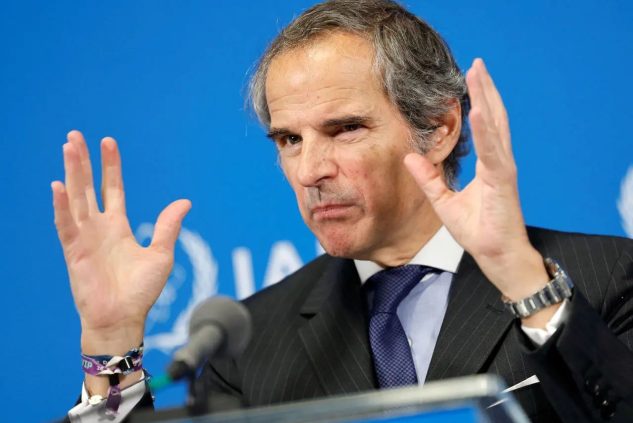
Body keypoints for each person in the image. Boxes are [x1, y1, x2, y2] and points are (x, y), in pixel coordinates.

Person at [54, 1, 633, 422]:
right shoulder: (251, 343)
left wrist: (522, 281)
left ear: (438, 128)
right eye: (289, 140)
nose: (310, 170)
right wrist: (111, 341)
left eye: (345, 129)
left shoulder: (610, 278)